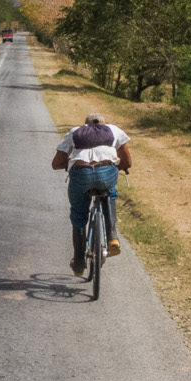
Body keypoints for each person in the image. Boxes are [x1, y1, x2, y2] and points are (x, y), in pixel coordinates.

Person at [51, 113, 132, 276]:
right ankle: (112, 237)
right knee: (109, 191)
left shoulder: (75, 132)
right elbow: (127, 162)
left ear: (85, 125)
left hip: (81, 174)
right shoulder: (113, 130)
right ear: (103, 124)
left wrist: (69, 164)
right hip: (105, 172)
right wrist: (116, 168)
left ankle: (79, 262)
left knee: (79, 215)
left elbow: (56, 163)